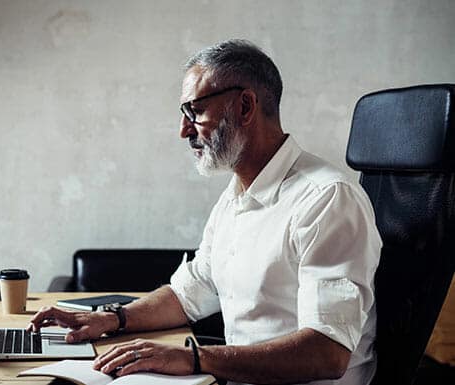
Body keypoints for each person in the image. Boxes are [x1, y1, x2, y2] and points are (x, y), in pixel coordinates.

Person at [27, 39, 382, 385]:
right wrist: (111, 319)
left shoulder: (326, 199)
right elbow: (191, 291)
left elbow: (328, 352)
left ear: (245, 107)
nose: (183, 131)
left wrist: (193, 358)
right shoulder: (236, 196)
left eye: (194, 111)